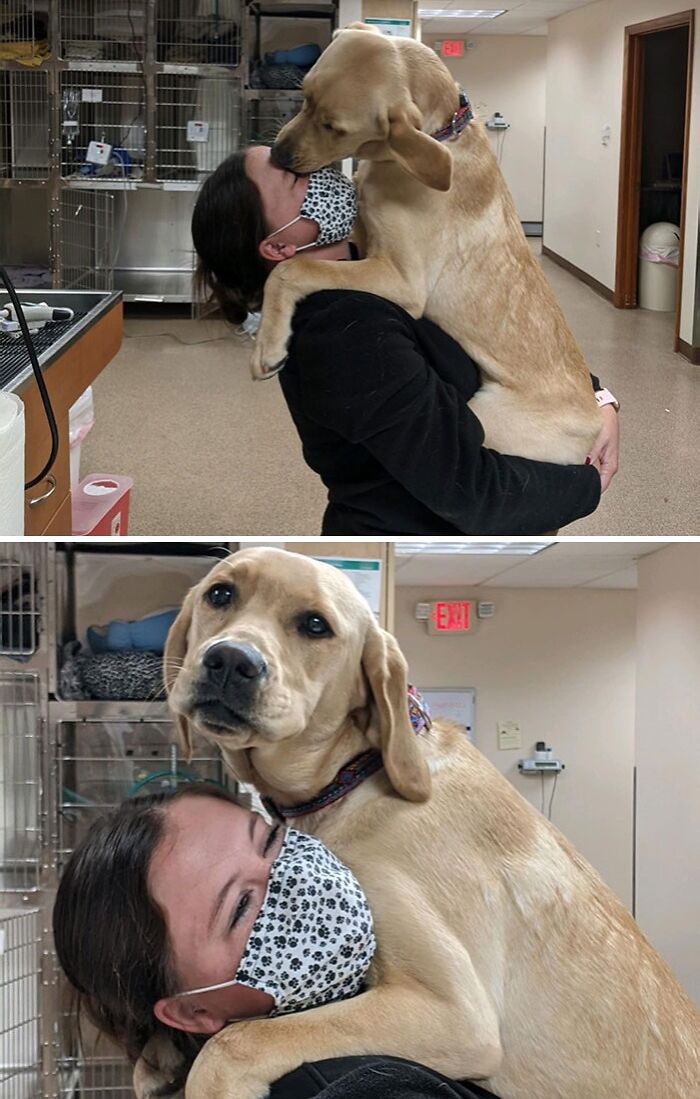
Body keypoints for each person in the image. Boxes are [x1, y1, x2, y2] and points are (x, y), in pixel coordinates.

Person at [190, 146, 620, 535]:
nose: (316, 170)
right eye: (296, 178)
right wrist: (587, 483)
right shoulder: (340, 331)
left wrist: (596, 395)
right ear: (279, 246)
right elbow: (471, 492)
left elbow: (502, 335)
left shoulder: (374, 264)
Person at [53, 784, 503, 1099]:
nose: (300, 881)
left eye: (270, 839)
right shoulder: (360, 1087)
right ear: (193, 1011)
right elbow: (469, 1038)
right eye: (241, 907)